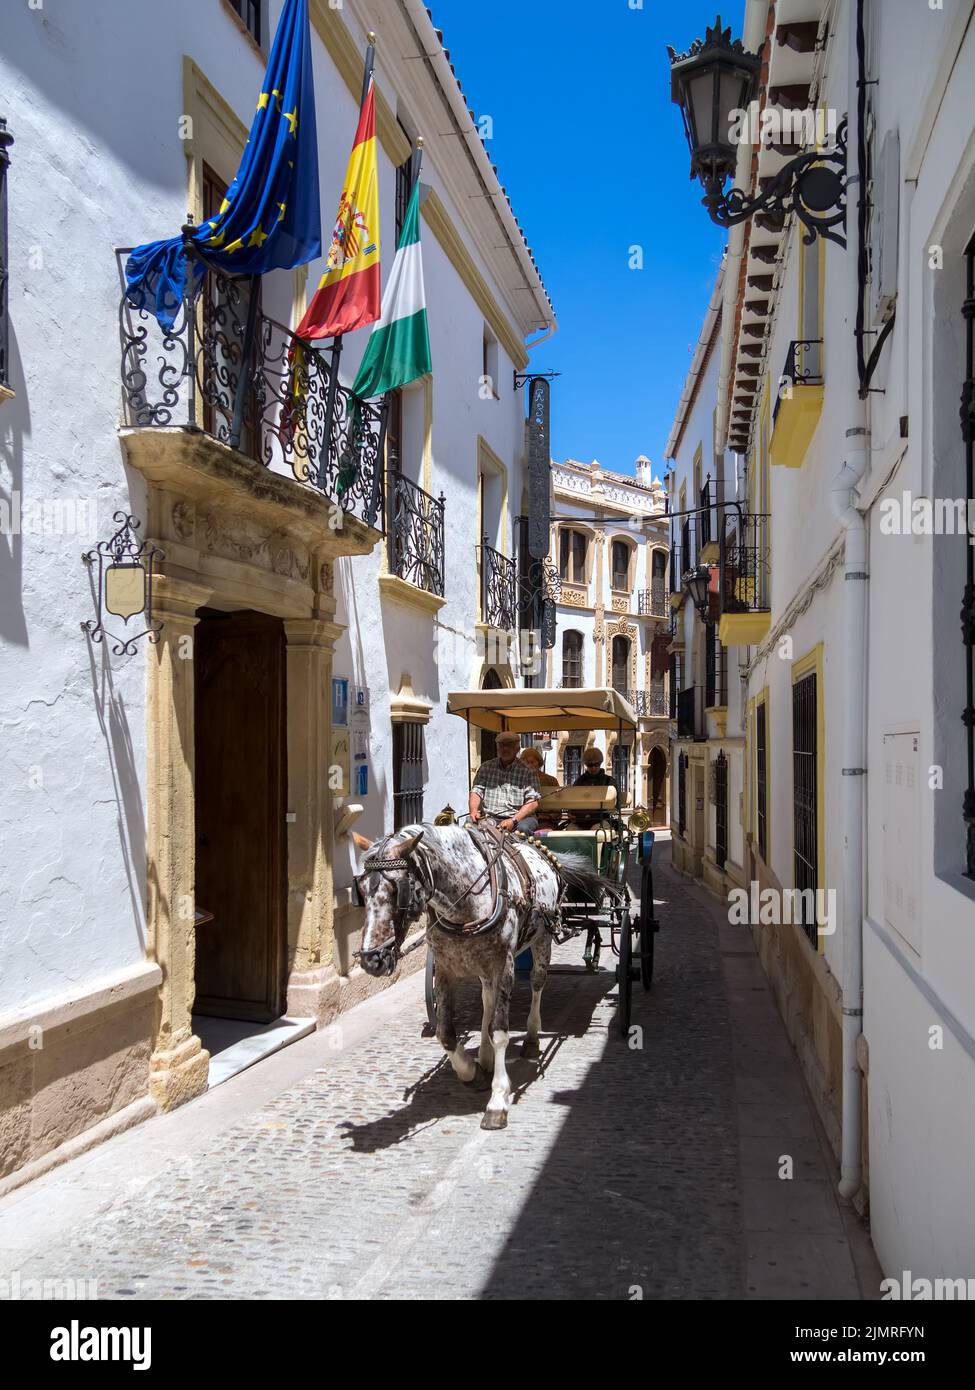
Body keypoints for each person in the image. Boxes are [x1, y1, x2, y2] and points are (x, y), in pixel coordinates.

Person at [469, 731, 540, 833]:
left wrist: (513, 820)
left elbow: (533, 802)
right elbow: (476, 791)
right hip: (491, 817)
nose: (505, 749)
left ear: (517, 749)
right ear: (497, 748)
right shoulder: (486, 767)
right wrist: (474, 810)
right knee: (469, 827)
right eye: (502, 745)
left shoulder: (528, 771)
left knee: (522, 829)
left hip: (521, 818)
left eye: (509, 746)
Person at [570, 747, 615, 829]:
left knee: (596, 830)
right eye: (590, 765)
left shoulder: (608, 781)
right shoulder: (579, 781)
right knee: (570, 831)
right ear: (586, 765)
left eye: (596, 764)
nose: (593, 768)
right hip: (581, 821)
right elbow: (573, 801)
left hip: (601, 820)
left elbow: (615, 804)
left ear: (600, 763)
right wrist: (571, 813)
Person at [519, 745, 560, 830]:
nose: (529, 765)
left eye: (532, 762)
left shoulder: (551, 781)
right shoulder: (518, 780)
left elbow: (558, 807)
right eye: (526, 762)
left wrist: (548, 816)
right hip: (524, 820)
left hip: (545, 822)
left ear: (539, 762)